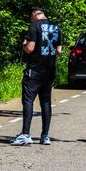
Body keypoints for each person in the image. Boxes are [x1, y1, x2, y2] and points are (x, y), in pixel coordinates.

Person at [12, 9, 62, 146]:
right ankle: (45, 136)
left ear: (34, 15)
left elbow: (30, 48)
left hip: (35, 70)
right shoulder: (55, 27)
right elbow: (59, 51)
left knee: (28, 101)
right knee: (45, 102)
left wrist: (24, 44)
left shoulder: (34, 26)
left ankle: (25, 134)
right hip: (50, 70)